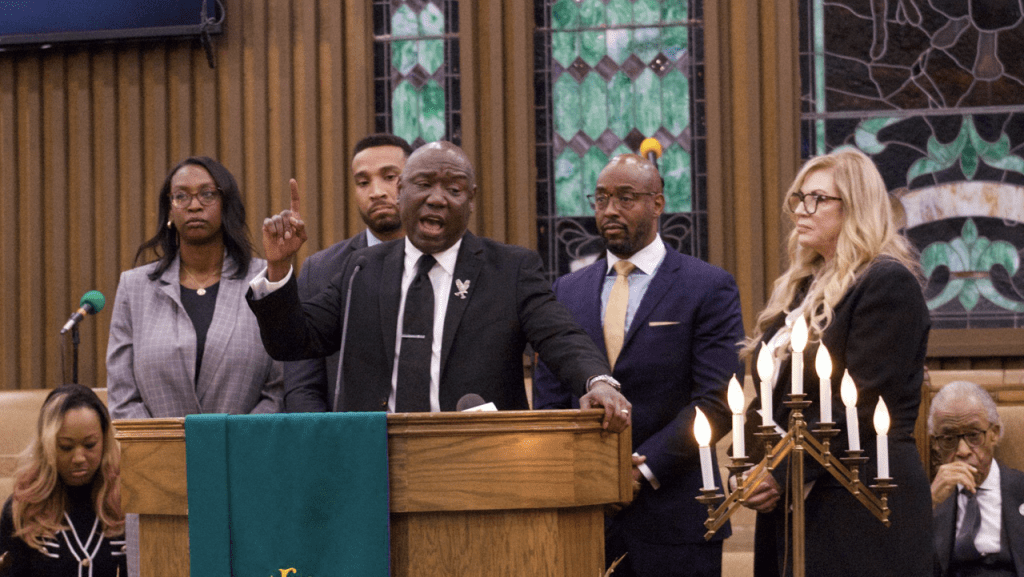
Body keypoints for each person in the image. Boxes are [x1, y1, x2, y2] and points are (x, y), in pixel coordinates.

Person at [247, 140, 631, 430]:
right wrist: (279, 268)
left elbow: (560, 336)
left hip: (476, 460)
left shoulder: (510, 269)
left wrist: (598, 381)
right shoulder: (362, 268)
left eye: (454, 189)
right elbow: (294, 342)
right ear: (400, 195)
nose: (437, 199)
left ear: (472, 200)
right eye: (424, 184)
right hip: (372, 460)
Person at [532, 154, 745, 577]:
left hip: (676, 513)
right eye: (601, 199)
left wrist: (640, 471)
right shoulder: (567, 291)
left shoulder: (706, 286)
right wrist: (593, 475)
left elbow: (716, 402)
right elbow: (550, 398)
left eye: (626, 198)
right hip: (585, 512)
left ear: (658, 203)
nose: (610, 210)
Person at [739, 148, 932, 576]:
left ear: (857, 206)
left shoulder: (887, 283)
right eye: (798, 198)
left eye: (818, 199)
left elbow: (861, 402)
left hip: (860, 496)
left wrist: (781, 473)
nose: (801, 211)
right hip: (795, 495)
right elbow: (770, 400)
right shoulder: (801, 289)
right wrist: (752, 465)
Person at [106, 156, 283, 418]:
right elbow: (123, 396)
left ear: (226, 205)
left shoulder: (263, 280)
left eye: (207, 194)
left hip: (244, 451)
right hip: (157, 454)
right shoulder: (135, 288)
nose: (194, 206)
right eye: (181, 196)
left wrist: (230, 444)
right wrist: (164, 450)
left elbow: (279, 389)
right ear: (169, 210)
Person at [284, 133, 413, 412]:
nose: (376, 192)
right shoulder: (322, 269)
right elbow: (303, 386)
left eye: (390, 177)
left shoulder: (442, 259)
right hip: (348, 440)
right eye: (363, 182)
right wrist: (330, 446)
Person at [0, 384, 126, 576]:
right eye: (66, 447)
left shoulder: (130, 502)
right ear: (47, 446)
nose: (79, 459)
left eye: (90, 445)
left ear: (105, 441)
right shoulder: (21, 509)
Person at [930, 381, 1024, 576]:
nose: (962, 451)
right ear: (936, 444)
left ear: (994, 434)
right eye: (949, 439)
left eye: (973, 436)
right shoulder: (926, 500)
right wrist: (929, 504)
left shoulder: (1021, 488)